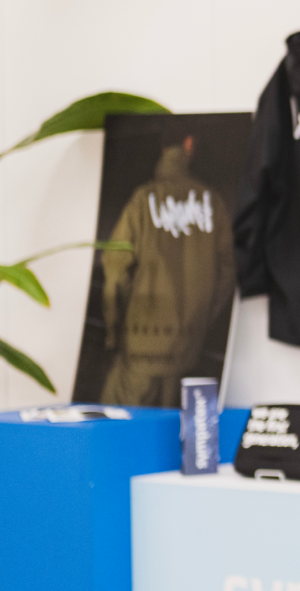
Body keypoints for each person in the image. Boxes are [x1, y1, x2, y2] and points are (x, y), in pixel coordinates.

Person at [100, 136, 236, 407]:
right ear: (190, 144)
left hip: (138, 345)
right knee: (173, 428)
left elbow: (115, 270)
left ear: (163, 147)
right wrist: (200, 321)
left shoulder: (143, 199)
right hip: (187, 348)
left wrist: (114, 331)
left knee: (117, 424)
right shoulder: (213, 204)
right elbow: (227, 275)